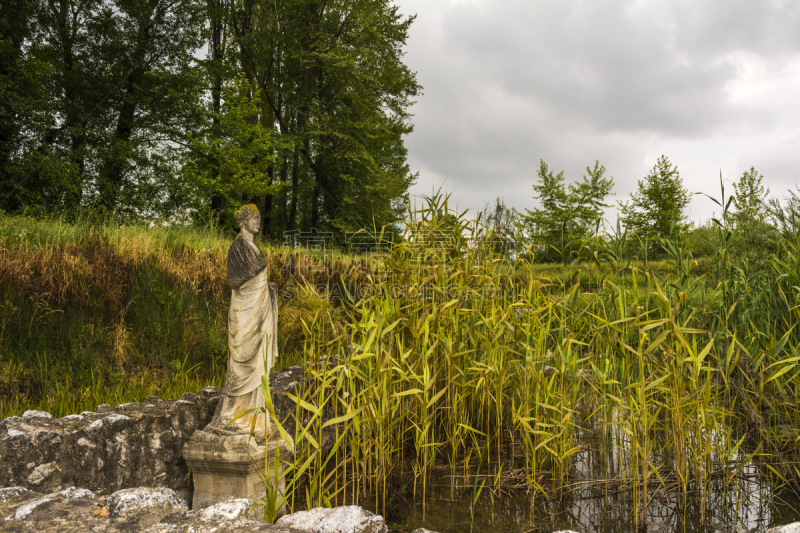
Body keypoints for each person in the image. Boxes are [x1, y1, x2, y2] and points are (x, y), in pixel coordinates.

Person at [206, 204, 278, 438]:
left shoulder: (254, 248)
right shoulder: (237, 248)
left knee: (258, 362)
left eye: (258, 218)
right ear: (243, 221)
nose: (258, 222)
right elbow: (234, 280)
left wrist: (268, 290)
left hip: (259, 309)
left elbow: (257, 278)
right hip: (244, 312)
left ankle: (253, 416)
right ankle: (230, 416)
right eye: (254, 218)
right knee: (241, 363)